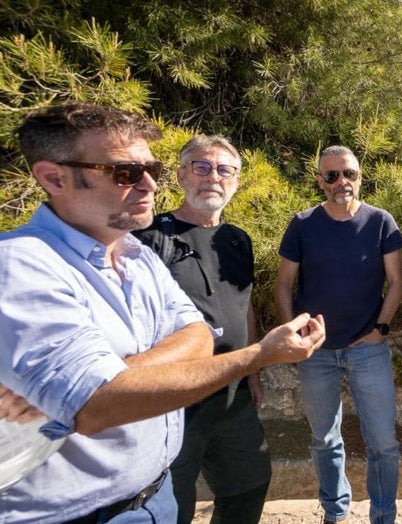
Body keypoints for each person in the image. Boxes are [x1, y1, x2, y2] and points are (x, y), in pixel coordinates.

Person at [0, 103, 325, 523]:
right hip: (75, 512)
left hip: (167, 475)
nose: (148, 184)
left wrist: (116, 377)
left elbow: (200, 333)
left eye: (149, 168)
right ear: (53, 177)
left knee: (247, 484)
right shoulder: (23, 265)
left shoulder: (139, 254)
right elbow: (96, 404)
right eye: (126, 173)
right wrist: (258, 355)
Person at [134, 135, 271, 524]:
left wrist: (252, 369)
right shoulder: (150, 239)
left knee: (249, 485)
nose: (214, 177)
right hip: (174, 400)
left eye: (225, 169)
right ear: (180, 176)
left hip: (232, 394)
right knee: (173, 505)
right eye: (201, 167)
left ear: (237, 181)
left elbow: (242, 307)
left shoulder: (237, 239)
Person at [274, 145, 402, 524]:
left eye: (348, 174)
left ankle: (383, 516)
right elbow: (284, 284)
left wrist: (381, 329)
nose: (341, 182)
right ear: (320, 181)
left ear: (360, 176)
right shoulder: (302, 224)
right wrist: (295, 336)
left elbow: (396, 282)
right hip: (317, 353)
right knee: (324, 439)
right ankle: (335, 511)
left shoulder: (381, 222)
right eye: (331, 176)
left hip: (368, 348)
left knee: (384, 442)